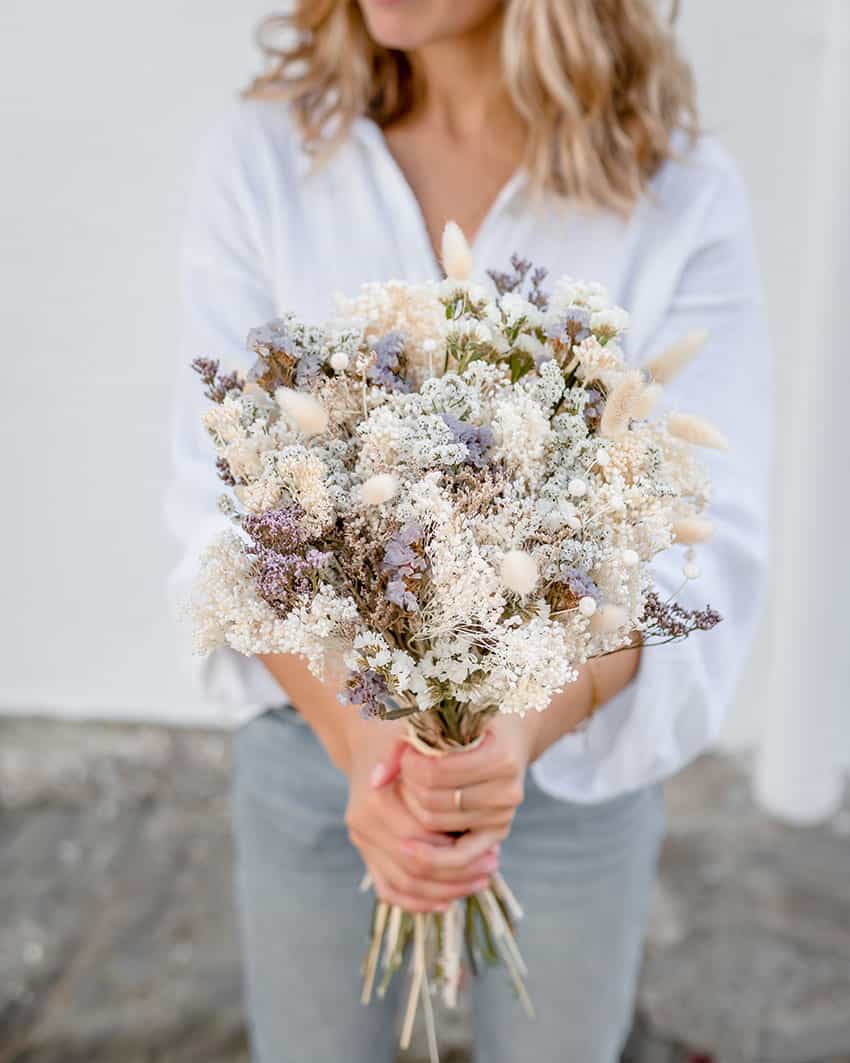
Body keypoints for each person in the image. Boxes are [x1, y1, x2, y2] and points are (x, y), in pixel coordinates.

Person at [165, 2, 772, 1060]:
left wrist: (513, 738)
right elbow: (220, 509)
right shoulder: (266, 158)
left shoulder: (679, 192)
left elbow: (707, 538)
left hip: (575, 779)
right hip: (315, 755)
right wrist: (363, 743)